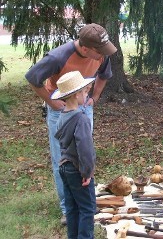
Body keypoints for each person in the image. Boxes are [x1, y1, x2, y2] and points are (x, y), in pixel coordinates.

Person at [25, 23, 117, 224]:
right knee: (64, 159)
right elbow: (32, 78)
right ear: (85, 48)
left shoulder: (101, 52)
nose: (103, 55)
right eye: (99, 51)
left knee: (84, 153)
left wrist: (95, 97)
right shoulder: (58, 57)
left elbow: (104, 74)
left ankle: (85, 202)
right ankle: (68, 209)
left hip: (85, 105)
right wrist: (52, 101)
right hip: (61, 110)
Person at [52, 71, 97, 239]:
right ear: (77, 94)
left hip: (64, 167)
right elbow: (85, 149)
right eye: (85, 92)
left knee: (72, 208)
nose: (86, 95)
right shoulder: (81, 119)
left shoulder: (62, 116)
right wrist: (87, 172)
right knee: (87, 208)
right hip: (78, 170)